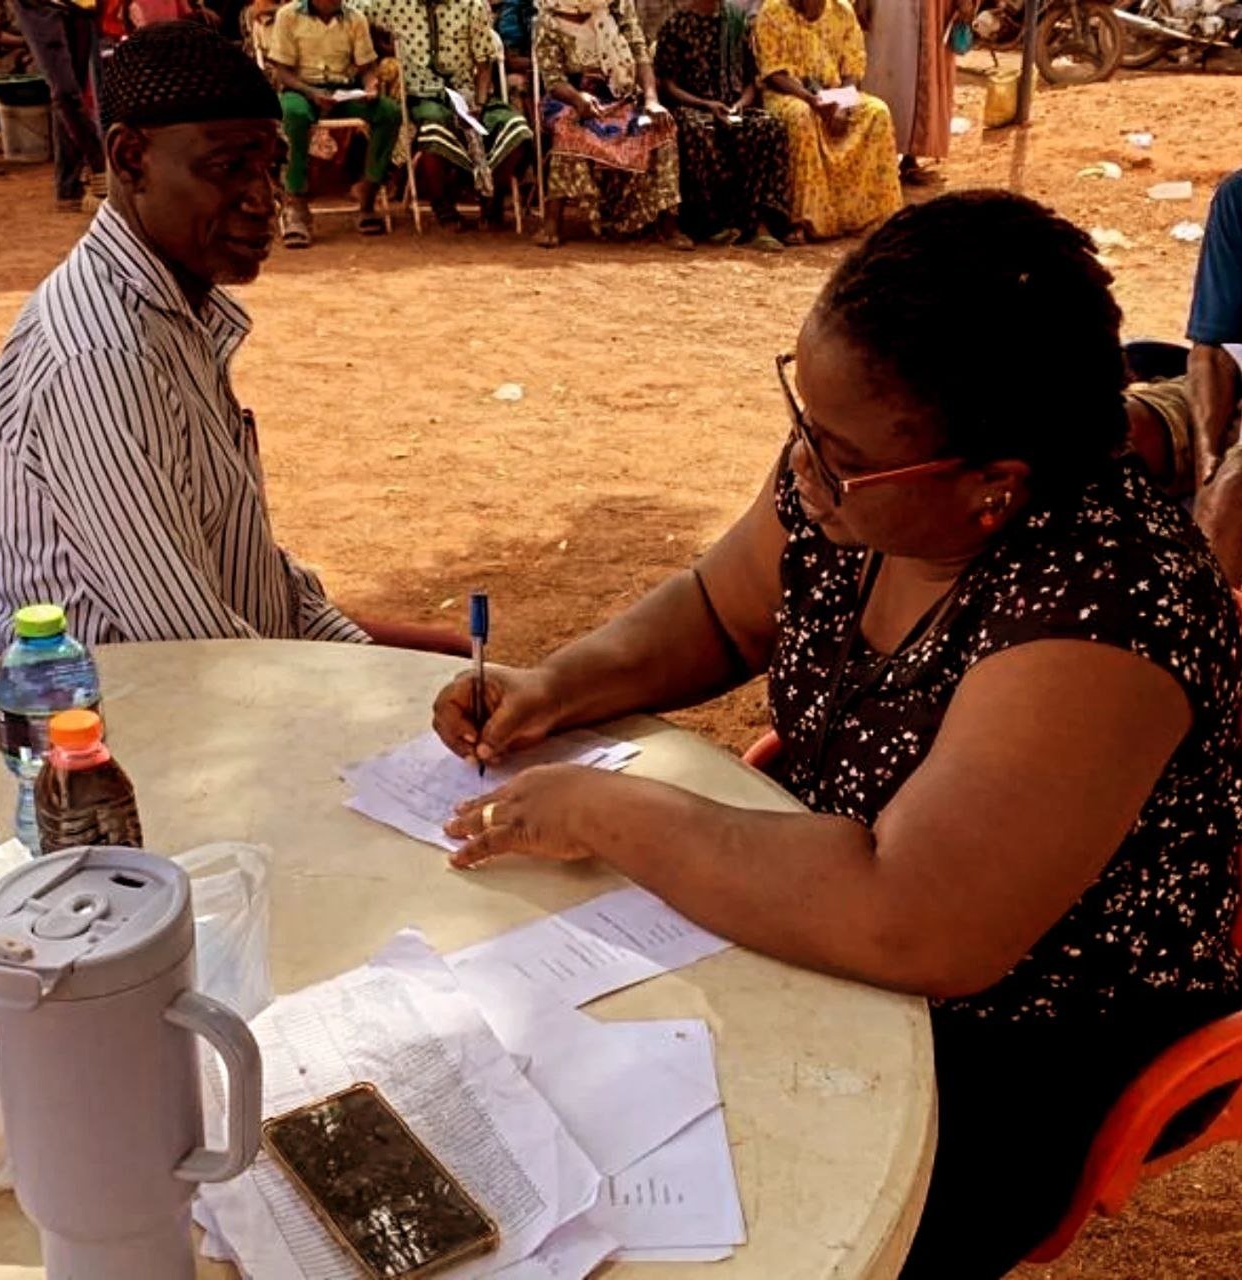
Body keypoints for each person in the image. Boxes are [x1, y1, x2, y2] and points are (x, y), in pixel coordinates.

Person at [432, 192, 1242, 1278]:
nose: (801, 464)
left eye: (837, 450)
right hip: (822, 910)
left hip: (1018, 1035)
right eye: (800, 419)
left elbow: (916, 922)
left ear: (991, 485)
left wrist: (603, 807)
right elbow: (723, 607)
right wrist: (560, 684)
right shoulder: (853, 484)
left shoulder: (1107, 604)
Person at [0, 22, 372, 647]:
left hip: (226, 687)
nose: (262, 198)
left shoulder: (177, 311)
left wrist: (378, 665)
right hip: (143, 727)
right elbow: (195, 647)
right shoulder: (102, 359)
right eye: (227, 168)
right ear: (131, 158)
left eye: (268, 167)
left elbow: (257, 576)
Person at [359, 0, 533, 229]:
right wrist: (380, 45)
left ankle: (492, 197)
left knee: (516, 128)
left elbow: (484, 62)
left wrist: (479, 103)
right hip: (424, 95)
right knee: (434, 127)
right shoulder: (392, 4)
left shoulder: (473, 5)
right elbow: (352, 9)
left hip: (469, 94)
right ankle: (441, 202)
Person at [535, 0, 691, 250]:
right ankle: (552, 222)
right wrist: (578, 99)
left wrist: (651, 100)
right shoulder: (549, 17)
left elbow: (640, 54)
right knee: (568, 128)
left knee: (661, 127)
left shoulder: (617, 6)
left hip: (623, 92)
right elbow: (554, 79)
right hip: (573, 96)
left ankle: (668, 225)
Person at [754, 0, 901, 240]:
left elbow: (852, 69)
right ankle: (805, 221)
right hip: (789, 94)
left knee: (877, 112)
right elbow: (773, 73)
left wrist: (842, 102)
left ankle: (873, 216)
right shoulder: (772, 11)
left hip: (834, 93)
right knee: (802, 117)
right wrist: (813, 101)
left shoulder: (842, 10)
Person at [655, 0, 792, 250]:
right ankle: (712, 224)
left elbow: (751, 81)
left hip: (731, 107)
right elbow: (669, 86)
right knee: (696, 130)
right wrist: (706, 104)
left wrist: (740, 104)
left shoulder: (736, 23)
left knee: (772, 127)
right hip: (694, 107)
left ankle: (760, 225)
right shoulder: (676, 25)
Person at [268, 0, 402, 246]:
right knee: (294, 115)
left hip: (343, 91)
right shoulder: (288, 16)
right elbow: (282, 72)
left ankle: (368, 193)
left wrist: (371, 86)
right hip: (301, 90)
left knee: (389, 113)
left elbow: (366, 67)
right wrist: (310, 93)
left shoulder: (355, 18)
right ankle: (297, 204)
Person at [1187, 169, 1242, 583]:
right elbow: (1211, 347)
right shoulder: (1237, 197)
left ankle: (1209, 637)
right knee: (1112, 430)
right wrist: (1206, 454)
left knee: (1232, 491)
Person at [9, 0, 106, 210]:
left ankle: (68, 186)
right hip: (40, 5)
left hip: (81, 6)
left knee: (73, 92)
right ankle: (99, 165)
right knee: (65, 90)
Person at [862, 0, 972, 185]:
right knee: (882, 73)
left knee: (914, 78)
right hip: (887, 11)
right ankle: (880, 156)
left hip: (926, 13)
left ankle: (909, 158)